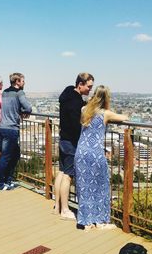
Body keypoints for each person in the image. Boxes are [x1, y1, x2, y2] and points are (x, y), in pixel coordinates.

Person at [75, 85, 128, 229]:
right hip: (95, 153)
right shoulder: (106, 114)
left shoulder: (84, 110)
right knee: (101, 186)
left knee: (84, 187)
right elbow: (125, 118)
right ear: (106, 98)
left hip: (81, 152)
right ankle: (100, 220)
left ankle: (86, 221)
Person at [54, 73, 94, 220]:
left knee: (62, 172)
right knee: (68, 176)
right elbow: (75, 125)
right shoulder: (76, 103)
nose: (90, 89)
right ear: (80, 85)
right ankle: (65, 210)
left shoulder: (68, 94)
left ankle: (57, 207)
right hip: (71, 142)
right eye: (88, 86)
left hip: (63, 138)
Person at [0, 73, 32, 191]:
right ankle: (0, 184)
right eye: (22, 81)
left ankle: (8, 180)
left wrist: (19, 110)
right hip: (11, 128)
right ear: (17, 82)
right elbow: (28, 107)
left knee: (15, 155)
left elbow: (10, 107)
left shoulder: (5, 92)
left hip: (3, 127)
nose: (24, 83)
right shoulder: (19, 92)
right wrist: (23, 111)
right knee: (6, 157)